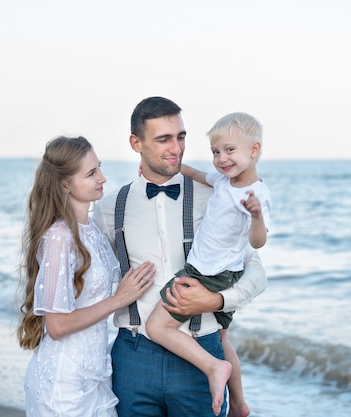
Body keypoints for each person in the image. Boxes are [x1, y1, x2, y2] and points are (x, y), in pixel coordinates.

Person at [92, 97, 268, 417]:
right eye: (163, 139)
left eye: (181, 137)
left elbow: (255, 271)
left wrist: (216, 302)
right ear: (136, 143)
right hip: (132, 356)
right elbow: (90, 279)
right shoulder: (110, 208)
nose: (176, 148)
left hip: (201, 352)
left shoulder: (217, 196)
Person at [17, 136, 155, 417]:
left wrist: (143, 186)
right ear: (65, 185)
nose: (102, 178)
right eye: (91, 173)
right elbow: (56, 326)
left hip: (95, 375)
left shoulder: (91, 229)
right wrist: (118, 300)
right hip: (63, 383)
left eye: (99, 168)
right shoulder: (59, 237)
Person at [146, 112, 272, 416]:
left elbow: (258, 243)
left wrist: (255, 216)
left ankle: (213, 367)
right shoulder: (224, 180)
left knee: (156, 326)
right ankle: (239, 403)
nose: (221, 158)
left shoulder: (256, 194)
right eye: (216, 152)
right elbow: (197, 174)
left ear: (253, 150)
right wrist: (166, 168)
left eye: (230, 150)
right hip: (222, 274)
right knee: (221, 336)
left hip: (208, 275)